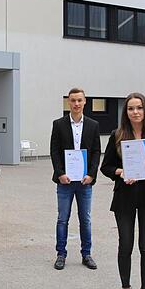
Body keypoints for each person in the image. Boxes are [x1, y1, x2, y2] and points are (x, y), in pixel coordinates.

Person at [100, 92, 145, 289]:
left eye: (139, 108)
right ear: (125, 112)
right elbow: (106, 166)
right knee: (125, 244)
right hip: (124, 197)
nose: (135, 112)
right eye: (130, 108)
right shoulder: (117, 135)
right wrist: (120, 171)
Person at [49, 87, 102, 270]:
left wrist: (92, 174)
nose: (76, 104)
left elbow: (96, 152)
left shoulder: (93, 125)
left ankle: (86, 254)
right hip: (65, 181)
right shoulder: (58, 124)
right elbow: (54, 151)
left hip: (85, 182)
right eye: (73, 100)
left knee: (85, 219)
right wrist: (60, 173)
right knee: (63, 218)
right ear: (68, 102)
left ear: (85, 102)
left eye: (79, 100)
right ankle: (61, 254)